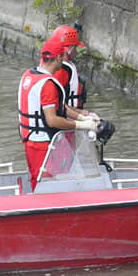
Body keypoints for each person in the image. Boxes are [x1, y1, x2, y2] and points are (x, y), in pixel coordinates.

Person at [18, 37, 99, 190]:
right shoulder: (48, 84)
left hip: (30, 139)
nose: (64, 61)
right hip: (43, 143)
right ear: (58, 58)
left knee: (37, 178)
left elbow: (60, 107)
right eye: (62, 57)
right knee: (45, 184)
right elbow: (52, 120)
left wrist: (82, 117)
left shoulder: (28, 75)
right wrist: (80, 125)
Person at [50, 24, 88, 109]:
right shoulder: (62, 70)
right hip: (67, 113)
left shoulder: (62, 65)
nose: (76, 52)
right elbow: (55, 100)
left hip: (70, 111)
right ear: (69, 49)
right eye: (75, 48)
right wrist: (79, 115)